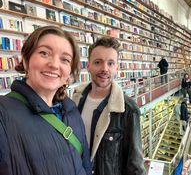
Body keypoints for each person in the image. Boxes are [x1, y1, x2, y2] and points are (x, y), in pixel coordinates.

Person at [0, 26, 92, 175]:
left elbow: (85, 164)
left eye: (65, 59)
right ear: (25, 60)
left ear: (69, 73)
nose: (54, 64)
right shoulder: (3, 113)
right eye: (44, 53)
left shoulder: (72, 110)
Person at [73, 37, 146, 175]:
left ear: (117, 68)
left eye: (111, 63)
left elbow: (135, 165)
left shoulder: (128, 110)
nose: (104, 69)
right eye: (98, 62)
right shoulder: (75, 100)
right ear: (88, 65)